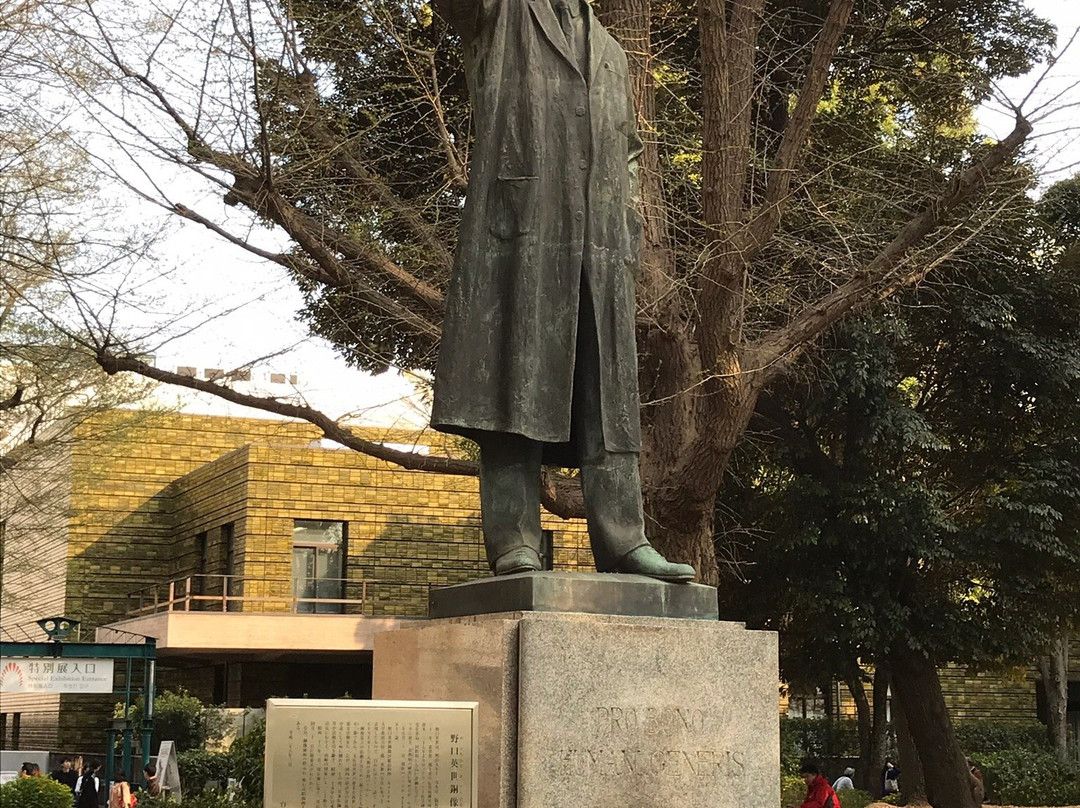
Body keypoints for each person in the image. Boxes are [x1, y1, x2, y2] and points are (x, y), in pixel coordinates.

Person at [428, 0, 696, 583]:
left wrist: (627, 225)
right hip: (519, 232)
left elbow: (626, 149)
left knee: (609, 397)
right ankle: (513, 539)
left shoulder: (611, 52)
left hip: (598, 247)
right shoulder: (499, 13)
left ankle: (625, 539)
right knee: (511, 384)